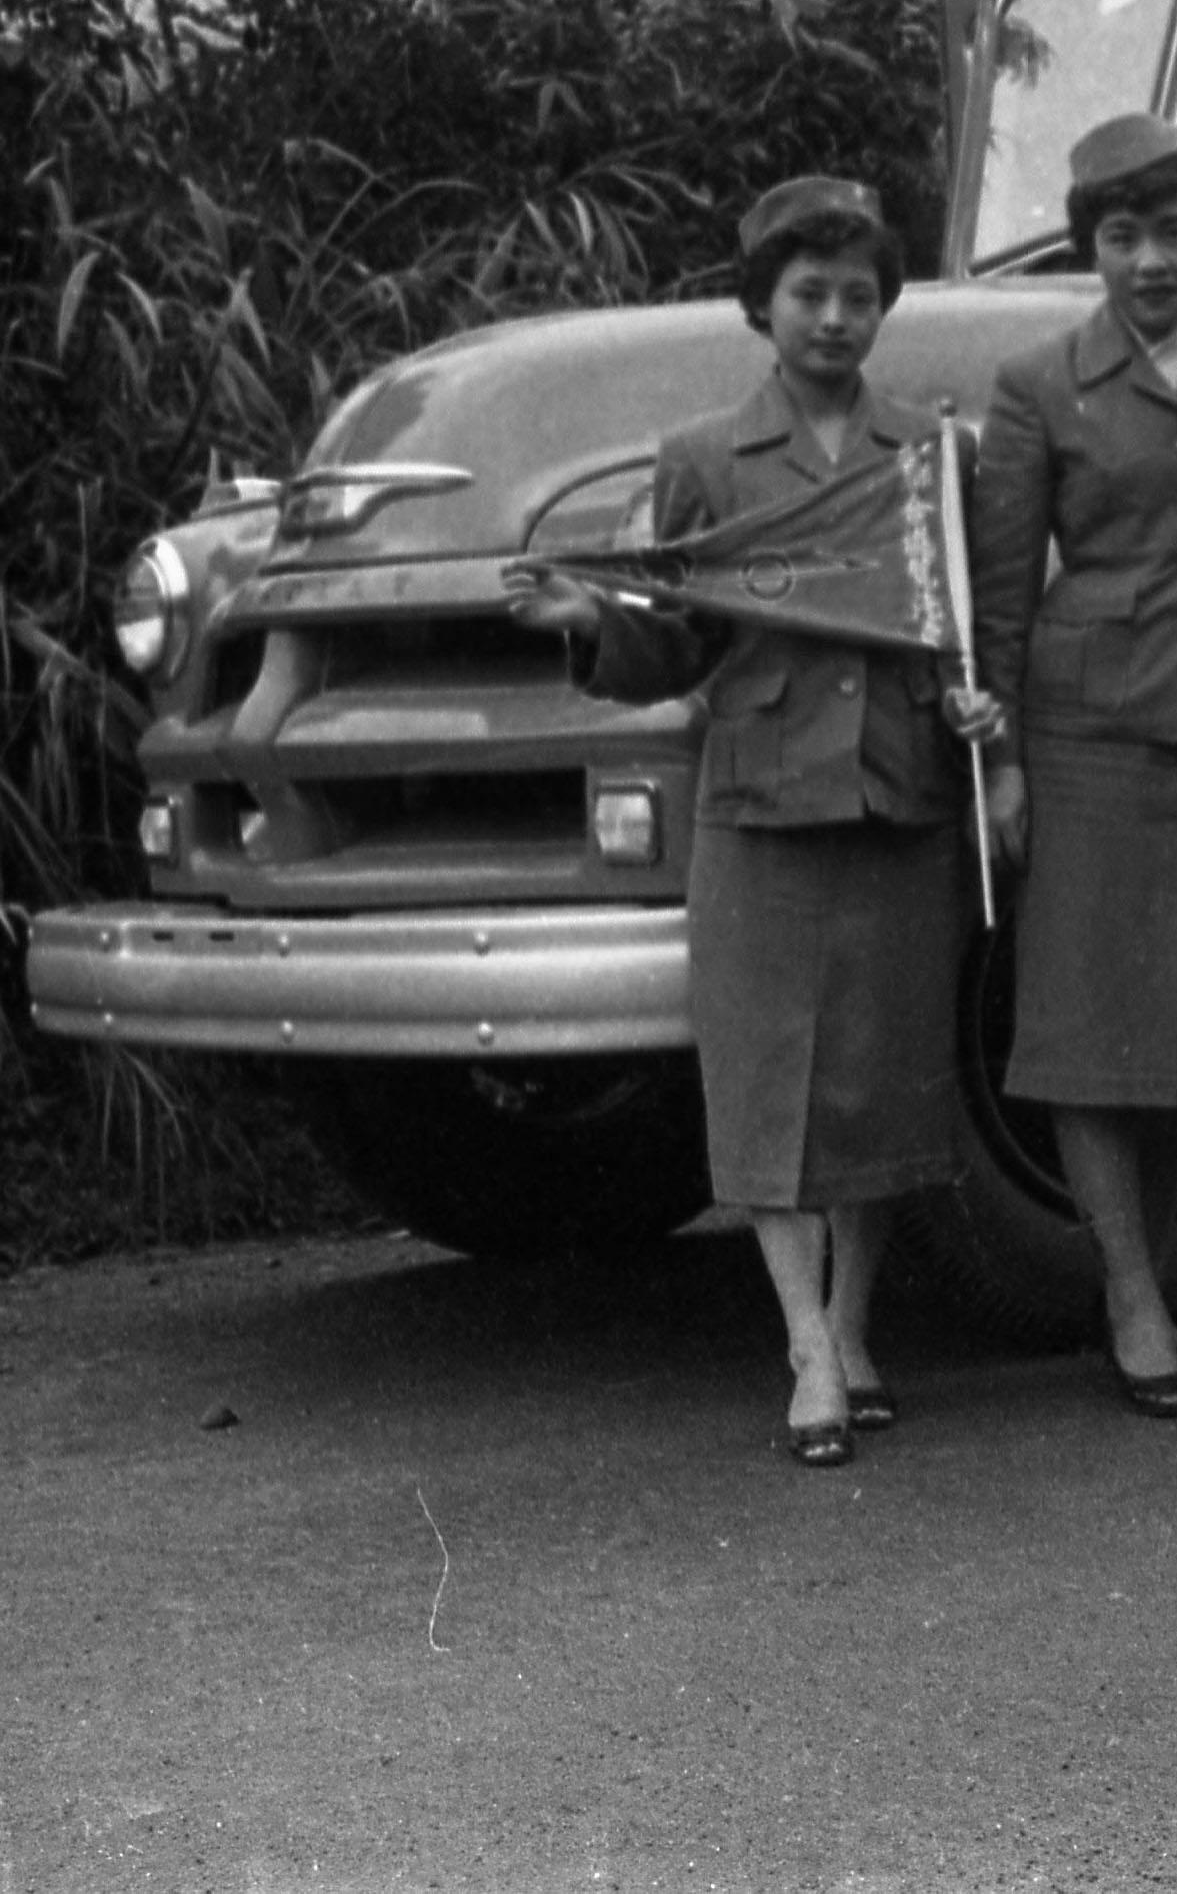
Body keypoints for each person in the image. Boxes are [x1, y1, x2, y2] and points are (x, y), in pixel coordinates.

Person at [499, 176, 999, 1470]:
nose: (836, 318)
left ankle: (854, 1321)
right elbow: (673, 638)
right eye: (809, 294)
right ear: (762, 307)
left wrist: (982, 707)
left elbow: (965, 619)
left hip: (898, 797)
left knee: (883, 1082)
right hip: (762, 806)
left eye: (859, 295)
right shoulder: (704, 461)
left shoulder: (928, 453)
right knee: (773, 1083)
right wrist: (590, 626)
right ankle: (806, 1350)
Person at [966, 114, 1177, 1415]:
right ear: (1090, 245)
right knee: (1094, 1032)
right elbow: (997, 596)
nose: (1150, 260)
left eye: (1173, 231)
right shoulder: (1038, 385)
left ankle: (1139, 1273)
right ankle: (1136, 1294)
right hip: (1084, 739)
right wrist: (1003, 765)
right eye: (1121, 234)